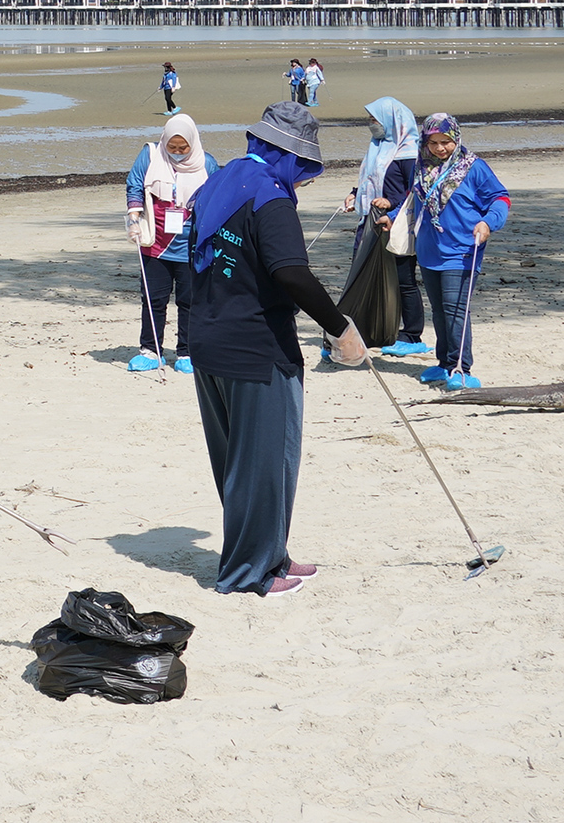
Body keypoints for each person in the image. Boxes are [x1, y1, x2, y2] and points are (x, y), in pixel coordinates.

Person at [182, 103, 370, 595]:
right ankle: (249, 573)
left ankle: (272, 556)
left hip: (208, 340)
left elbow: (194, 263)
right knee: (264, 461)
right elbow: (290, 272)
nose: (303, 181)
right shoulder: (269, 196)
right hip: (256, 348)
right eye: (303, 170)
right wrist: (339, 328)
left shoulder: (215, 183)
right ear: (288, 156)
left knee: (238, 460)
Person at [379, 113, 508, 389]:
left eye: (445, 142)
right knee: (439, 311)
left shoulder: (474, 167)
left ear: (456, 138)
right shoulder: (421, 166)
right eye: (433, 142)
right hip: (429, 250)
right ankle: (444, 364)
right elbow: (412, 200)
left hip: (462, 249)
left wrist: (488, 222)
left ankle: (461, 367)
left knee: (456, 310)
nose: (440, 148)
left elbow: (500, 198)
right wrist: (391, 214)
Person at [123, 115, 216, 373]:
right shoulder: (151, 155)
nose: (176, 152)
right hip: (155, 243)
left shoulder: (207, 164)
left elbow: (217, 200)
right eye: (171, 147)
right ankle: (151, 350)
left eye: (182, 148)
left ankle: (187, 352)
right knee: (153, 300)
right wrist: (133, 220)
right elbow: (134, 186)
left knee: (190, 301)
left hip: (191, 246)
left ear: (192, 144)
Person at [338, 97, 428, 359]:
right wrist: (356, 194)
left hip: (397, 223)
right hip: (372, 220)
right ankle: (370, 327)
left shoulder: (408, 153)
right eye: (370, 119)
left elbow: (416, 191)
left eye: (375, 119)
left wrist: (392, 203)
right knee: (365, 274)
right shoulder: (377, 147)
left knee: (403, 280)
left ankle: (412, 334)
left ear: (392, 121)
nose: (372, 124)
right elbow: (371, 179)